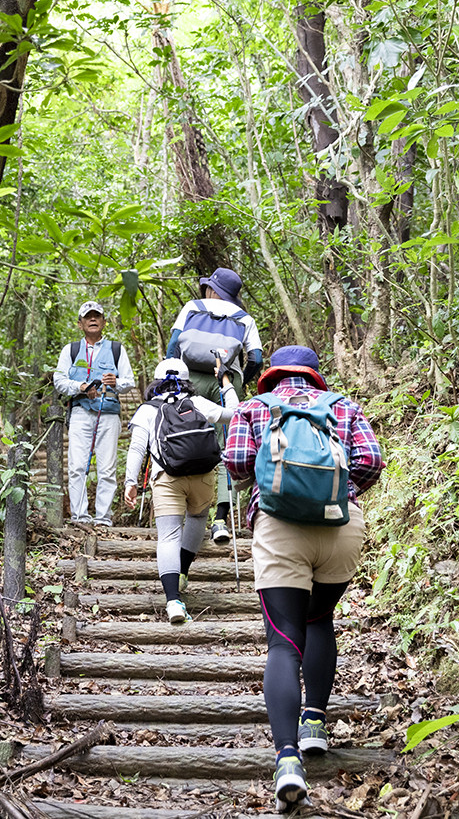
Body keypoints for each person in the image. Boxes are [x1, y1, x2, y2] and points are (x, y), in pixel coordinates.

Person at [223, 346, 383, 811]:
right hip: (341, 525)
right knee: (318, 620)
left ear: (271, 377)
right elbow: (370, 461)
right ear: (314, 376)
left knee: (283, 641)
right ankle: (315, 721)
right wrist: (337, 492)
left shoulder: (254, 408)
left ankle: (287, 759)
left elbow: (235, 464)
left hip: (280, 528)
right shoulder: (343, 406)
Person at [122, 358, 237, 623]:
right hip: (204, 475)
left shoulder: (148, 410)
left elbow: (137, 448)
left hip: (167, 477)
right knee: (197, 519)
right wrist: (226, 383)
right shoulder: (197, 404)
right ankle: (183, 571)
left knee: (169, 535)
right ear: (188, 381)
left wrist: (131, 483)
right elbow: (234, 412)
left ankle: (173, 601)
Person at [166, 267, 264, 544]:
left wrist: (175, 374)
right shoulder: (245, 318)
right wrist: (238, 376)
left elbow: (173, 346)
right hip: (226, 383)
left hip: (189, 382)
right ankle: (220, 519)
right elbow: (255, 357)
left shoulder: (192, 307)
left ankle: (190, 514)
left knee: (187, 439)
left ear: (212, 289)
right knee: (227, 450)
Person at [52, 301, 135, 526]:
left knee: (107, 468)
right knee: (77, 466)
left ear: (104, 322)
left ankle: (103, 519)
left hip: (108, 414)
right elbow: (59, 380)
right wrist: (80, 387)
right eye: (88, 317)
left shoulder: (117, 349)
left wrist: (116, 382)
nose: (92, 320)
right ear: (80, 324)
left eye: (97, 316)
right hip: (80, 412)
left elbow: (130, 381)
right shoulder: (71, 350)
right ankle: (80, 517)